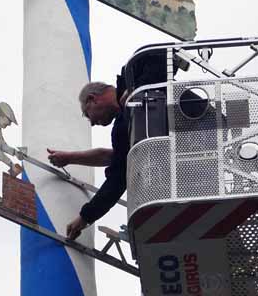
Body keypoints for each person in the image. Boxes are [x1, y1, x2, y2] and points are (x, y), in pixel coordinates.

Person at [48, 50, 172, 240]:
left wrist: (136, 89)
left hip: (199, 128)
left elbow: (160, 56)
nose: (92, 123)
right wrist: (85, 217)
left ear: (93, 99)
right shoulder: (123, 130)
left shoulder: (131, 75)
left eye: (88, 114)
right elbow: (117, 174)